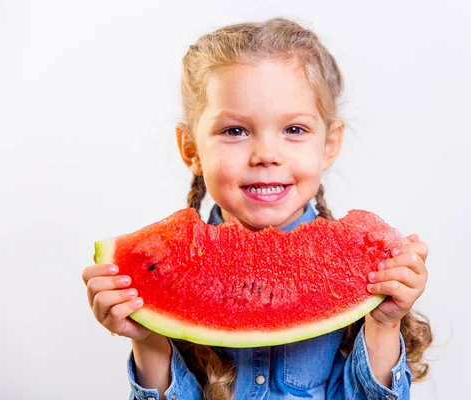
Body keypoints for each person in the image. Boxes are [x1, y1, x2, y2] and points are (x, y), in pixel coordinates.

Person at [82, 17, 432, 400]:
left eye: (294, 130)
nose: (266, 154)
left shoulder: (361, 274)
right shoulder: (166, 272)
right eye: (235, 131)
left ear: (329, 144)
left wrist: (383, 324)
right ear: (191, 149)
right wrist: (147, 339)